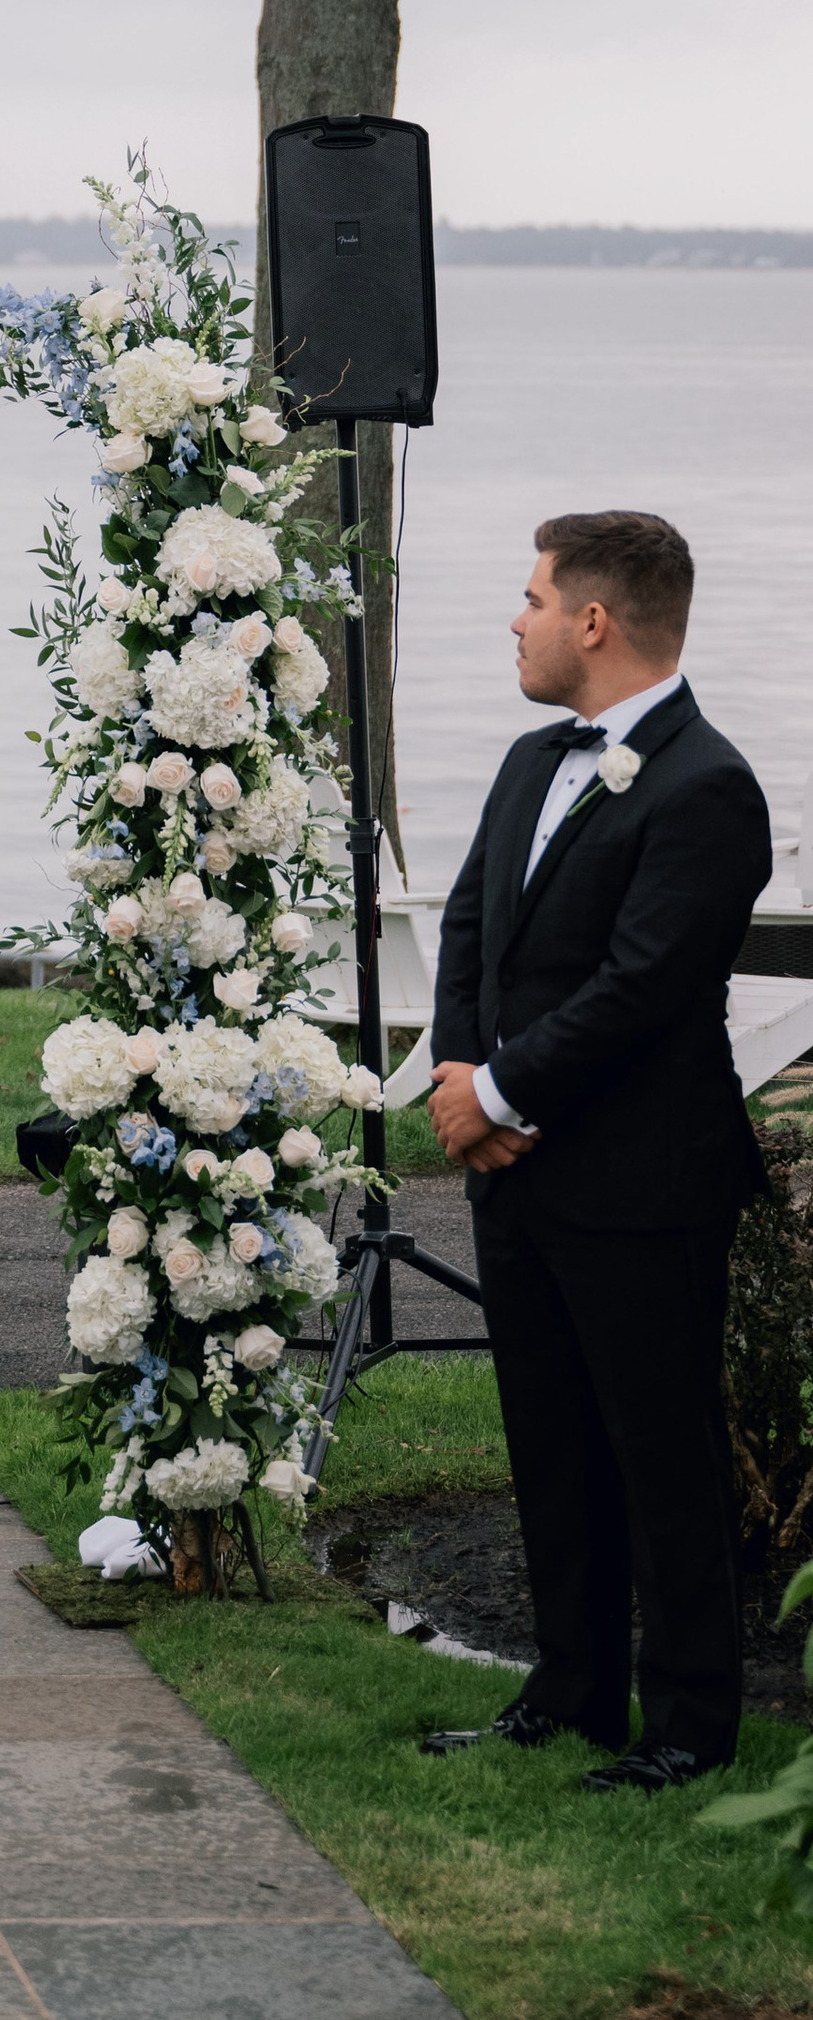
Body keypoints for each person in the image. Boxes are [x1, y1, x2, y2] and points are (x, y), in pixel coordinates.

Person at [420, 510, 770, 1794]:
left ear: (592, 620)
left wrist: (503, 1091)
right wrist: (463, 1076)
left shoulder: (707, 786)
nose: (512, 621)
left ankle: (686, 1726)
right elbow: (471, 926)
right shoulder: (529, 759)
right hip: (521, 1171)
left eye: (528, 599)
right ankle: (567, 1687)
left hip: (643, 1182)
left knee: (658, 1451)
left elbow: (642, 987)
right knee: (550, 1441)